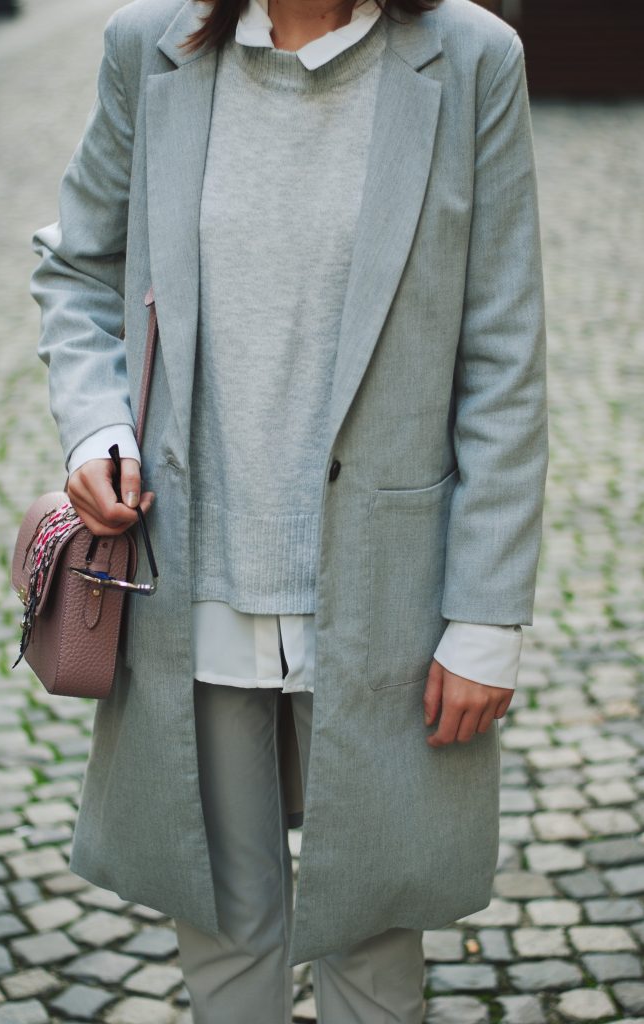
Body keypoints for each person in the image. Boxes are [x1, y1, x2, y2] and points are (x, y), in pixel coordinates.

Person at [30, 0, 548, 1018]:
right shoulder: (152, 48)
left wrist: (486, 614)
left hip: (389, 587)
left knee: (372, 936)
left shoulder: (473, 59)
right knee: (224, 930)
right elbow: (79, 264)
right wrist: (97, 429)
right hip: (187, 574)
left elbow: (502, 355)